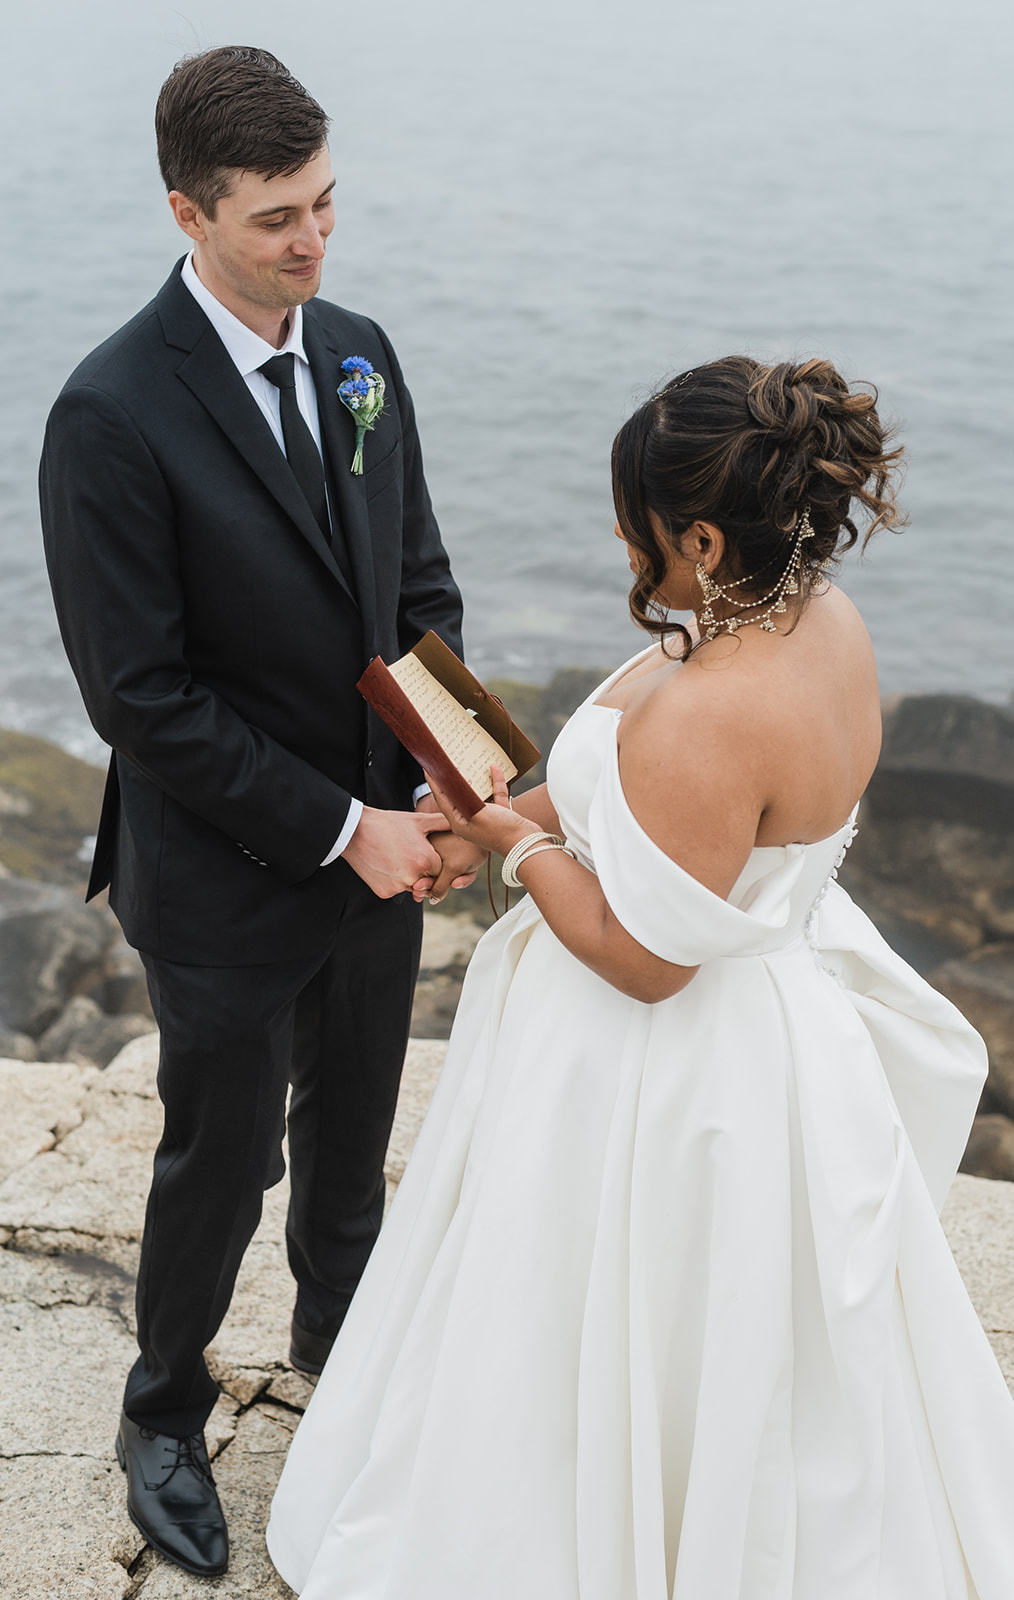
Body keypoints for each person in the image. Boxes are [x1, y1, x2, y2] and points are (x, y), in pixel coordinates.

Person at [267, 356, 1014, 1597]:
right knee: (766, 1351)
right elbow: (691, 844)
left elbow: (647, 959)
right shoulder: (821, 621)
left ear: (701, 532)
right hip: (788, 1039)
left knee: (606, 1323)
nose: (630, 554)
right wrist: (490, 815)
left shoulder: (710, 713)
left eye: (643, 532)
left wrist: (518, 845)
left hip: (670, 1081)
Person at [38, 46, 483, 1580]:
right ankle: (161, 1409)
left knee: (353, 1145)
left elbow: (417, 584)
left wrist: (446, 760)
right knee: (221, 1161)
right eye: (279, 217)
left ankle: (340, 1365)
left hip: (383, 845)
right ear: (189, 210)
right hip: (227, 871)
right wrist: (335, 826)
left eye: (328, 203)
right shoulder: (107, 413)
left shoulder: (358, 353)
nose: (316, 242)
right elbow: (140, 698)